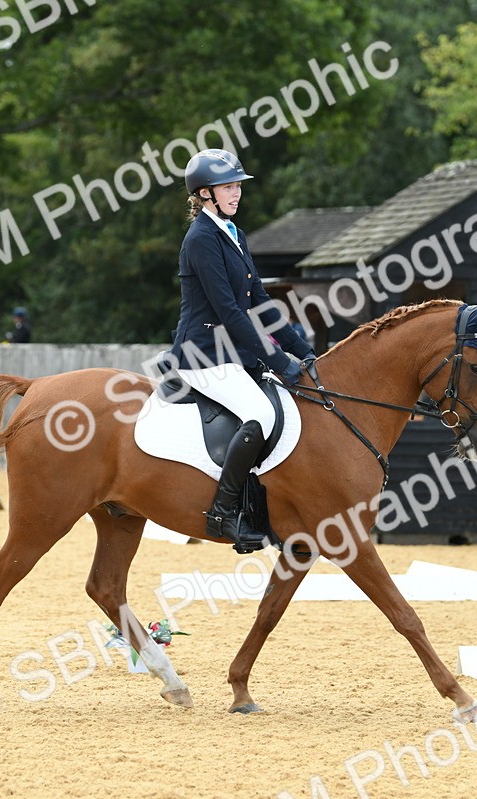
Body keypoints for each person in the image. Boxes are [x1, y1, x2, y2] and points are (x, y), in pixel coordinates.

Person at [167, 149, 314, 553]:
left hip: (231, 353)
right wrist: (279, 361)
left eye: (237, 187)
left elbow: (261, 301)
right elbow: (230, 311)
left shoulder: (234, 233)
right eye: (229, 187)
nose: (237, 194)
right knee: (261, 413)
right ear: (205, 194)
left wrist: (303, 350)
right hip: (203, 354)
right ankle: (223, 512)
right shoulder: (200, 238)